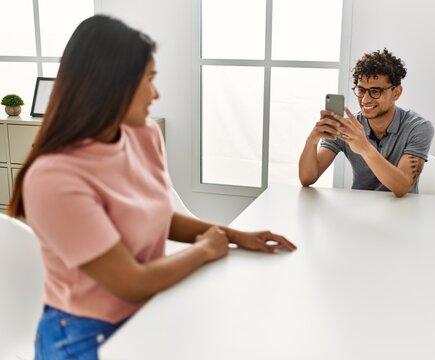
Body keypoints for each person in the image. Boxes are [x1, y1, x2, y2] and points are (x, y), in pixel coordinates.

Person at [7, 15, 296, 359]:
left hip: (151, 308)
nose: (156, 93)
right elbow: (130, 282)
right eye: (149, 79)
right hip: (85, 335)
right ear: (112, 84)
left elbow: (160, 217)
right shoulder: (54, 177)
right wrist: (205, 249)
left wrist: (233, 234)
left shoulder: (144, 135)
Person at [299, 48, 434, 197]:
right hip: (359, 208)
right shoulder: (348, 127)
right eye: (361, 90)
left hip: (402, 211)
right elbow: (307, 178)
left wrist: (365, 148)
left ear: (396, 92)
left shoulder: (419, 127)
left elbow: (403, 187)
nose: (365, 100)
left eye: (375, 91)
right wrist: (311, 142)